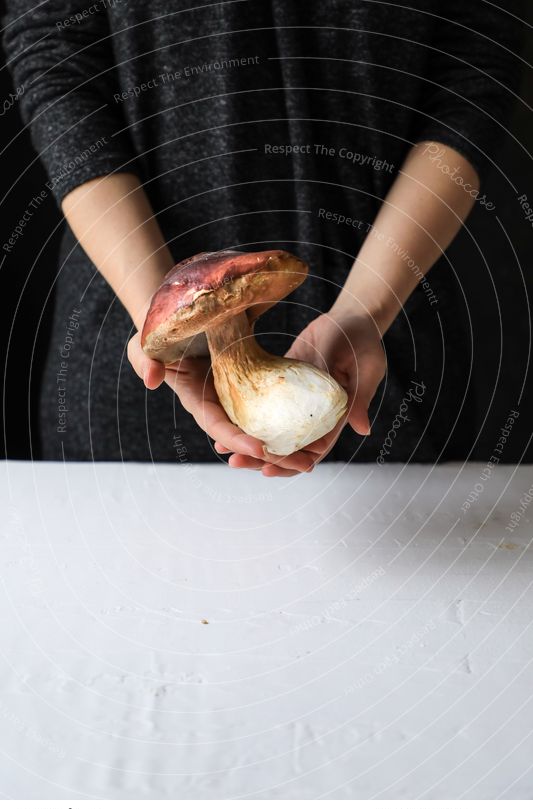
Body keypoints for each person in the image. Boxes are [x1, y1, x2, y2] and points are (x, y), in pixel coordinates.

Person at [3, 1, 524, 476]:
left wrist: (365, 310)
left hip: (391, 339)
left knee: (413, 569)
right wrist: (156, 311)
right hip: (128, 347)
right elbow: (57, 57)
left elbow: (474, 66)